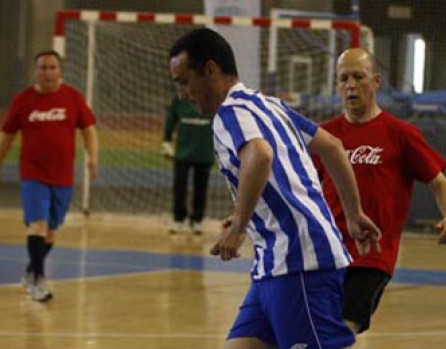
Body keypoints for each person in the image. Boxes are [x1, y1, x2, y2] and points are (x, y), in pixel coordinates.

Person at [169, 28, 381, 349]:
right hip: (272, 266)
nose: (182, 94)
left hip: (300, 265)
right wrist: (353, 213)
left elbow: (260, 155)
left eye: (184, 82)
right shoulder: (267, 104)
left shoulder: (229, 114)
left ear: (211, 70)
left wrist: (239, 225)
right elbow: (333, 146)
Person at [314, 48, 446, 335]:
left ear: (377, 81)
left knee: (340, 330)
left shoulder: (400, 134)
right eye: (343, 79)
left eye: (358, 77)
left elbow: (441, 183)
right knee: (311, 332)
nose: (351, 85)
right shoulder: (323, 136)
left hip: (372, 256)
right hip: (327, 254)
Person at [0, 50, 99, 302]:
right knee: (37, 225)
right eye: (42, 67)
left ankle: (30, 270)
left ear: (60, 70)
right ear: (35, 71)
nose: (47, 72)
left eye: (52, 67)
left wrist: (92, 157)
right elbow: (6, 136)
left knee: (50, 232)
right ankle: (39, 280)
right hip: (33, 174)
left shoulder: (72, 98)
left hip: (62, 177)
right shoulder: (23, 100)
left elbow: (89, 129)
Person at [161, 92, 215, 235]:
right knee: (179, 185)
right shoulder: (179, 100)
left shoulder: (211, 99)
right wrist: (166, 141)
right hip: (183, 152)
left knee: (201, 187)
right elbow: (171, 119)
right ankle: (179, 219)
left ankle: (197, 220)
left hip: (204, 151)